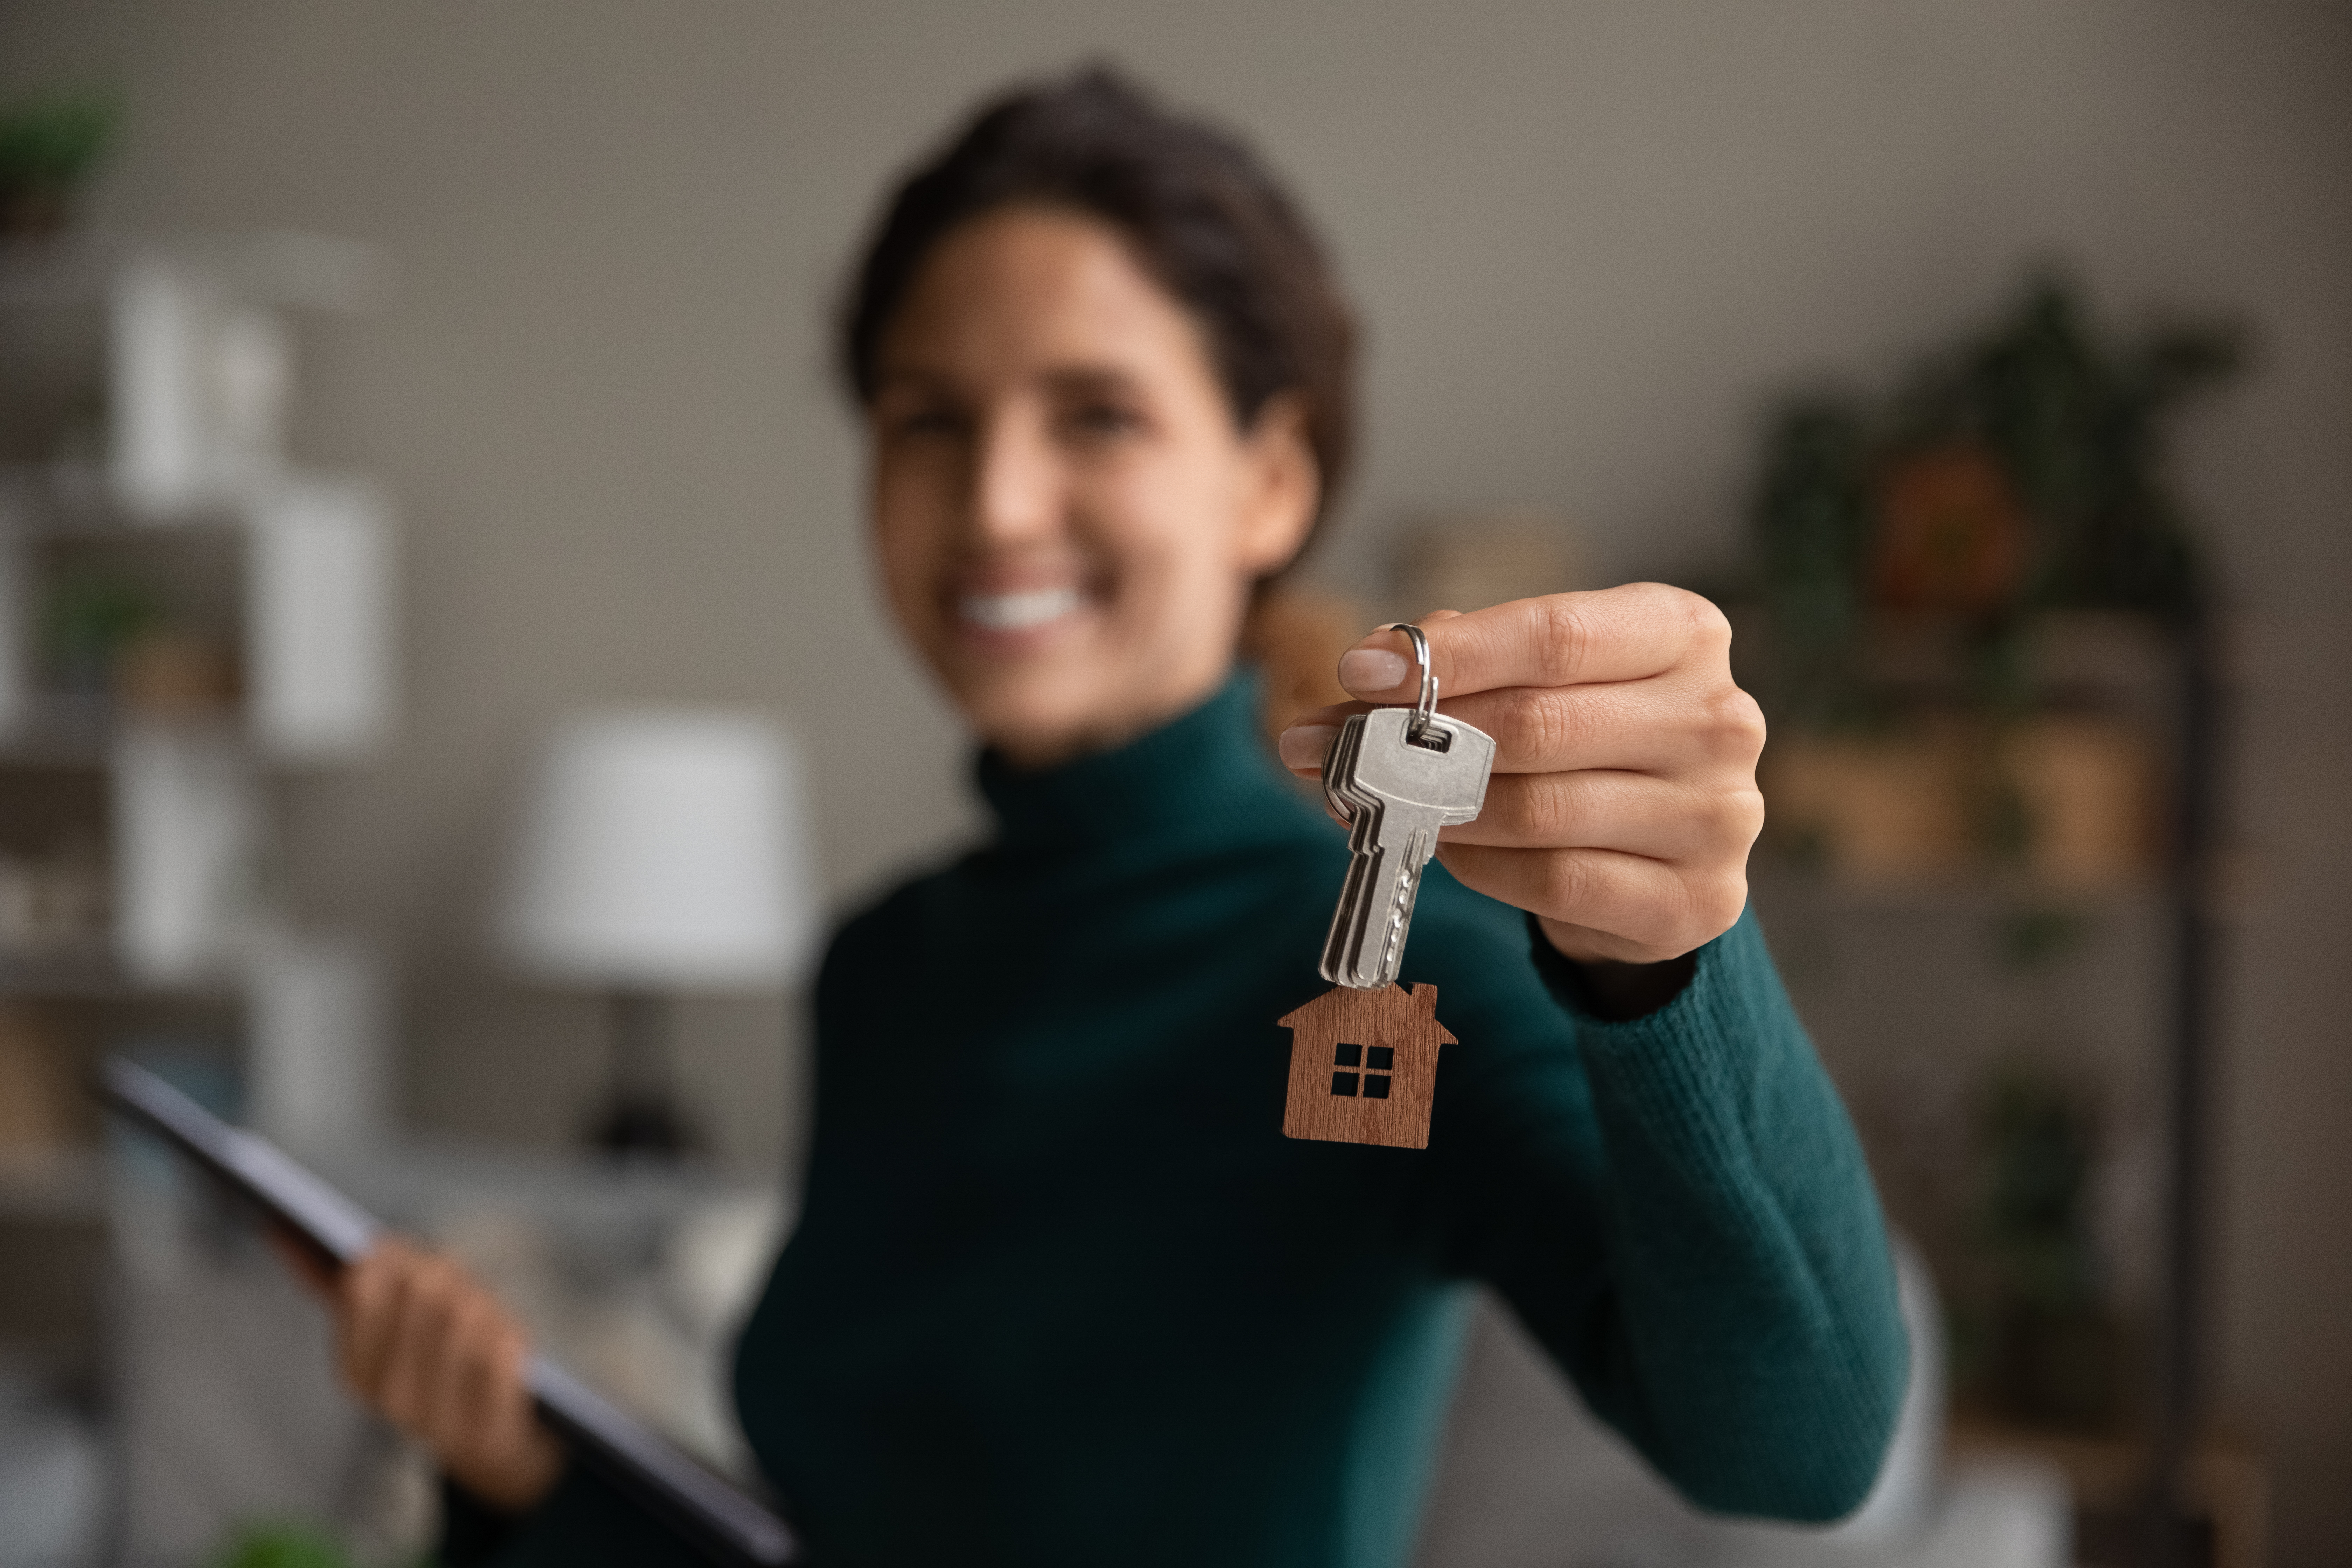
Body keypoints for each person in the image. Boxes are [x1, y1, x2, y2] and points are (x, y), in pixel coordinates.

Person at [303, 69, 1906, 1568]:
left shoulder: (1397, 967)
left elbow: (1801, 1453)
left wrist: (1668, 961)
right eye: (930, 418)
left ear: (1269, 479)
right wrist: (519, 1474)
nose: (998, 501)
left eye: (1096, 415)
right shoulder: (887, 961)